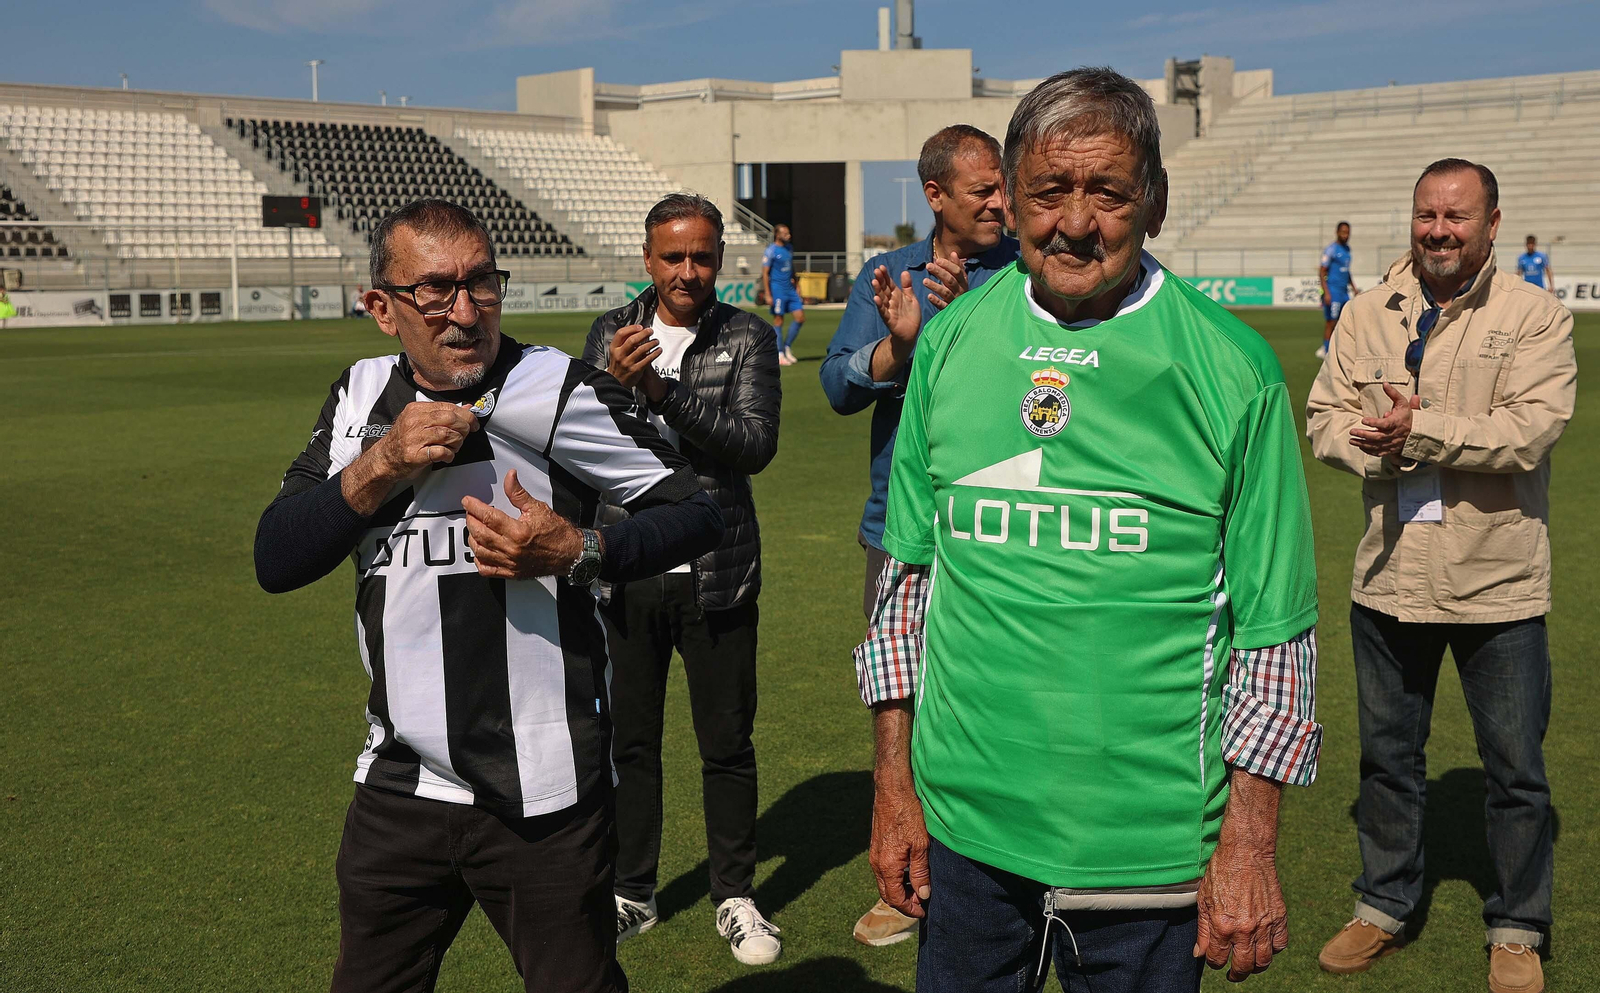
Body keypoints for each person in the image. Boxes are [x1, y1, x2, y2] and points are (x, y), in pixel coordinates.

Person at [860, 67, 1322, 991]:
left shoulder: (1232, 369)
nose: (1075, 222)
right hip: (966, 837)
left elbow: (1276, 632)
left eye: (1107, 192)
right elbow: (906, 585)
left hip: (1149, 854)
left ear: (1154, 200)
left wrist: (1251, 841)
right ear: (1013, 199)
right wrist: (893, 788)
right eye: (1048, 192)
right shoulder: (949, 343)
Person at [253, 198, 725, 993]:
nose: (465, 312)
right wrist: (380, 465)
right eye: (435, 291)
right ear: (382, 308)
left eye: (482, 284)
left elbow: (697, 511)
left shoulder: (556, 386)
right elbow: (277, 555)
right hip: (400, 780)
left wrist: (580, 549)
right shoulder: (360, 399)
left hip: (546, 787)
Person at [1306, 159, 1574, 993]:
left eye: (1457, 215)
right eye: (1427, 213)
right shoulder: (1366, 311)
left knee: (1515, 770)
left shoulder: (1535, 315)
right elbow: (1322, 417)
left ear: (1493, 224)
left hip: (1497, 581)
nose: (1439, 229)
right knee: (1388, 759)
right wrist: (1371, 448)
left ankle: (1518, 924)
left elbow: (1528, 431)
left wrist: (1415, 432)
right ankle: (1383, 905)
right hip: (1388, 578)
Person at [819, 122, 1018, 948]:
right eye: (984, 193)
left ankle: (1007, 868)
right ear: (934, 196)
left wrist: (960, 321)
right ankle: (908, 878)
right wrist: (897, 349)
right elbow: (835, 382)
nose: (1001, 204)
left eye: (1003, 189)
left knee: (999, 702)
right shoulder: (889, 274)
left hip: (1006, 526)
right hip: (902, 531)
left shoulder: (1029, 272)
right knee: (902, 705)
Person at [581, 194, 784, 966]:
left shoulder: (747, 335)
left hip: (719, 573)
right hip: (629, 567)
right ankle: (634, 889)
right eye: (673, 256)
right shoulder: (611, 331)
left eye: (702, 256)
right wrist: (616, 385)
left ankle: (735, 893)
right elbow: (582, 435)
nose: (688, 271)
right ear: (648, 258)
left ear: (720, 259)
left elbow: (753, 444)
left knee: (726, 743)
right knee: (629, 742)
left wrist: (665, 392)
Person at [1316, 220, 1357, 359]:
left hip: (1344, 292)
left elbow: (1346, 272)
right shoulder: (1331, 250)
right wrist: (1326, 292)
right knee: (1331, 322)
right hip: (1333, 291)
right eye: (1343, 232)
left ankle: (1338, 349)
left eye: (1348, 232)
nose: (1346, 235)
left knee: (1345, 321)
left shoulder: (1347, 250)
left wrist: (1354, 288)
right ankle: (1325, 349)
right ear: (1337, 232)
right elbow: (1322, 271)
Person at [763, 224, 803, 365]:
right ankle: (779, 353)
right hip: (777, 289)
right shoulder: (771, 251)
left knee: (800, 318)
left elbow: (792, 268)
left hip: (790, 289)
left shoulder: (789, 248)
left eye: (789, 233)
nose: (789, 235)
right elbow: (765, 273)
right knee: (779, 320)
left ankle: (786, 347)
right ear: (777, 234)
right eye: (785, 233)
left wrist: (797, 285)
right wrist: (768, 293)